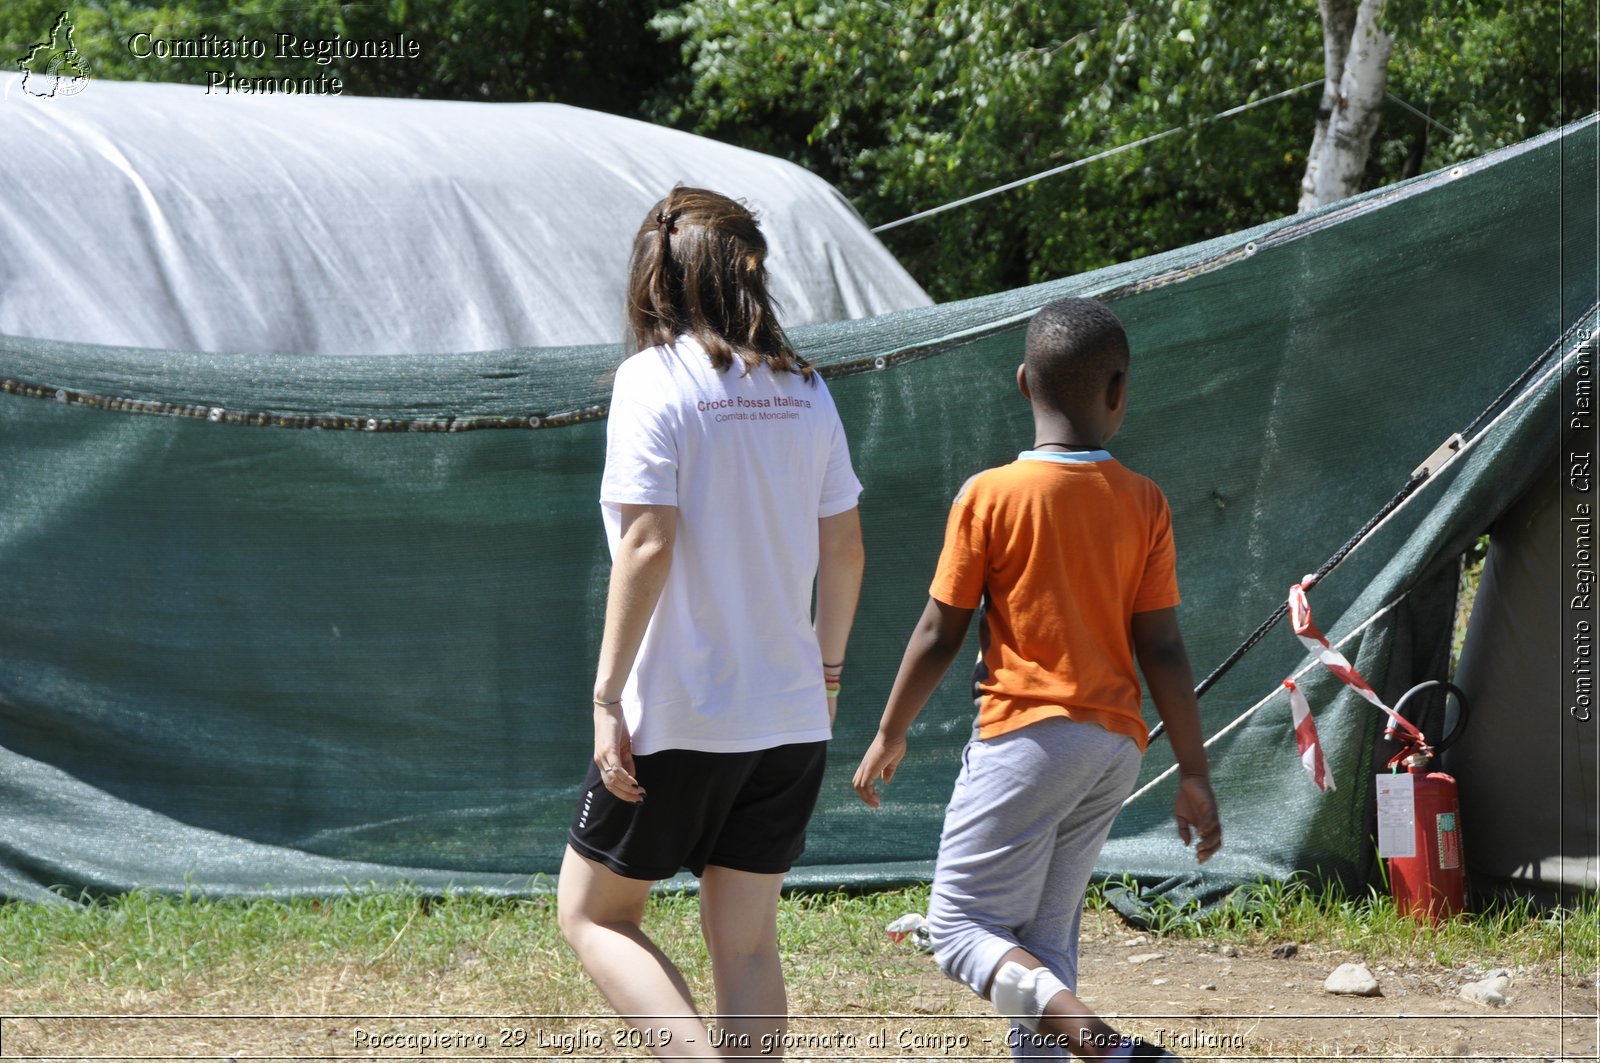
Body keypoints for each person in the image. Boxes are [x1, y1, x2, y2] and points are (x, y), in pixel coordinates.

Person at [852, 297, 1220, 1062]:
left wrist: (891, 729)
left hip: (1025, 739)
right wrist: (1192, 769)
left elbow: (938, 630)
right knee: (1042, 940)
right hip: (1115, 749)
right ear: (1118, 392)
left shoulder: (988, 495)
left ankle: (1112, 1051)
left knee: (956, 930)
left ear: (1023, 384)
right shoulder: (1145, 500)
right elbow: (1164, 648)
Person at [557, 186, 866, 1059]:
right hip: (790, 717)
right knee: (748, 941)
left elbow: (648, 542)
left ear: (656, 275)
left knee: (591, 914)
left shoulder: (650, 381)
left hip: (680, 714)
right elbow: (847, 550)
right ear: (750, 272)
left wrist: (607, 696)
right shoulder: (808, 392)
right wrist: (829, 678)